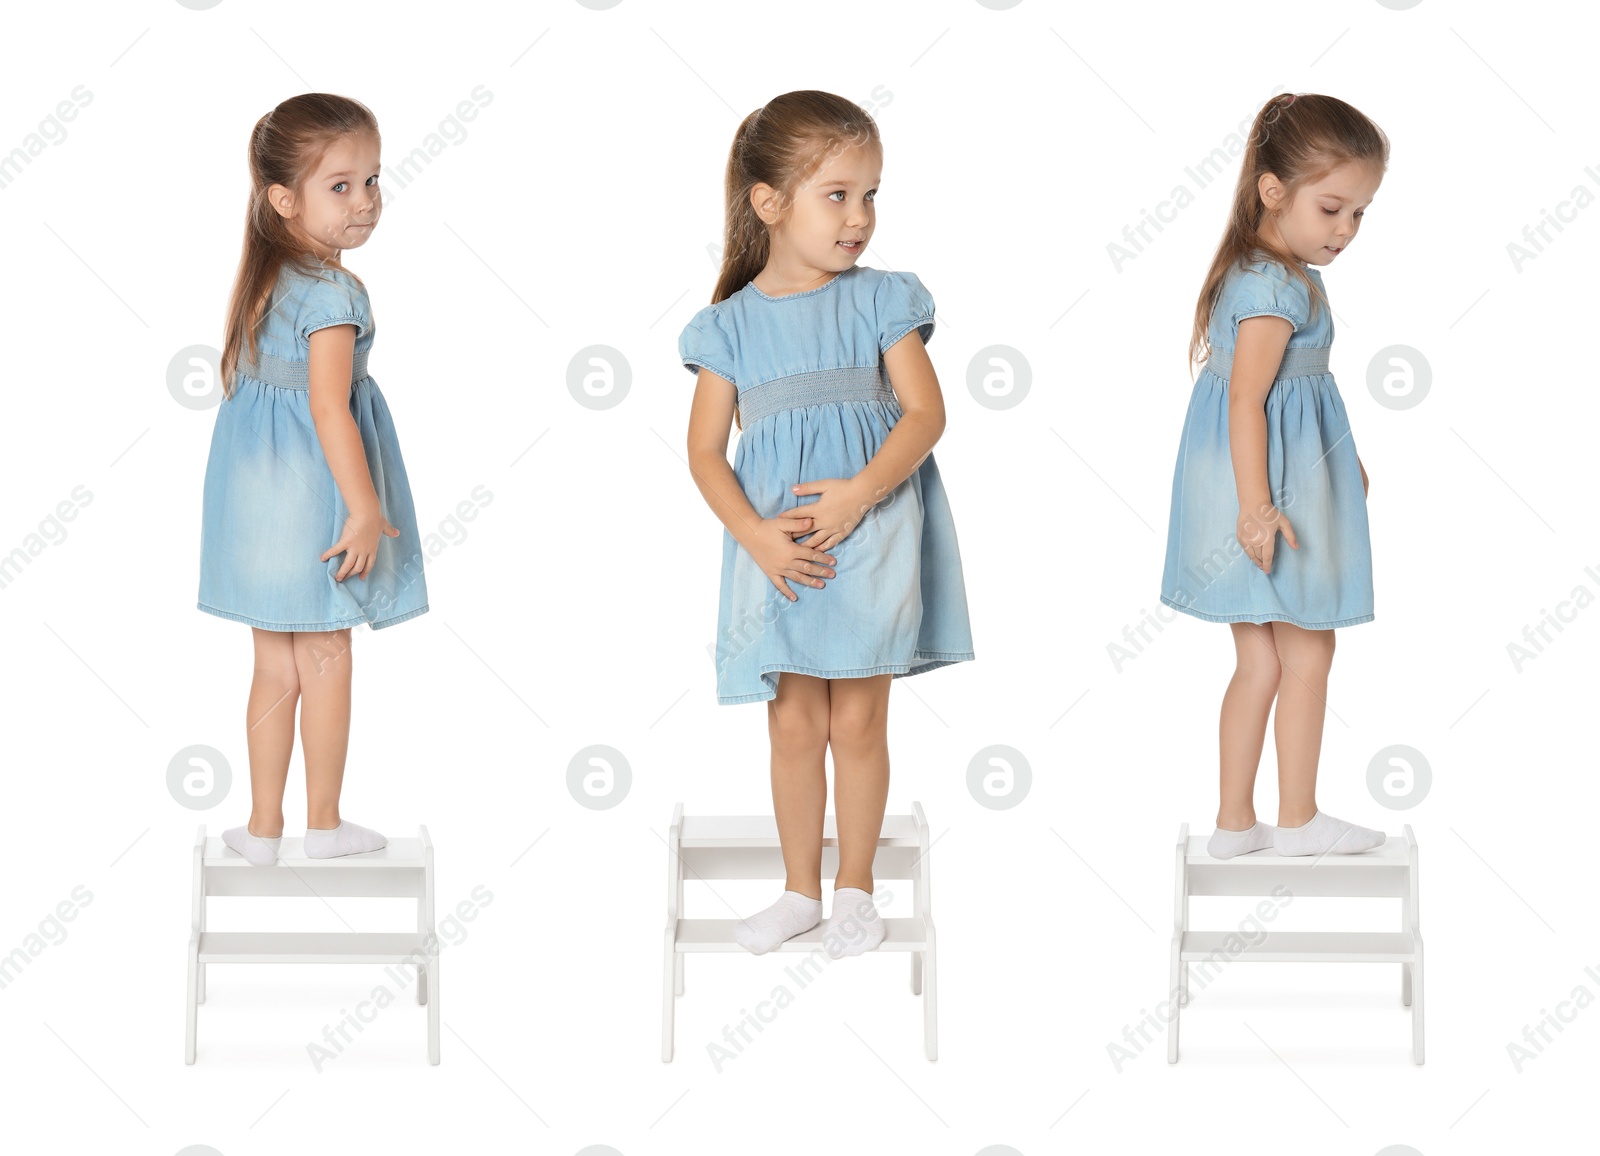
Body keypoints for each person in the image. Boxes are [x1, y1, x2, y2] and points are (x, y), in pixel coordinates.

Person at [680, 90, 975, 956]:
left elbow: (924, 415)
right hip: (777, 551)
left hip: (874, 533)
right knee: (795, 721)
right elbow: (704, 453)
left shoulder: (882, 300)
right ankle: (799, 889)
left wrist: (857, 494)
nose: (860, 217)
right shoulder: (728, 328)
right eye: (837, 194)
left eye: (871, 194)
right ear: (769, 203)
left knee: (859, 720)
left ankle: (854, 891)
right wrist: (757, 535)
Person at [197, 93, 428, 865]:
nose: (364, 202)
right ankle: (323, 824)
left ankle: (263, 829)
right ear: (283, 199)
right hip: (310, 496)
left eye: (372, 181)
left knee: (273, 663)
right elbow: (330, 410)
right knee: (325, 657)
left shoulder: (265, 277)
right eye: (341, 185)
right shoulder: (332, 294)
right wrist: (363, 508)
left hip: (254, 501)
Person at [1160, 92, 1389, 859]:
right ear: (1272, 190)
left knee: (1260, 657)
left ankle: (1235, 824)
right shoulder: (1271, 287)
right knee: (1308, 652)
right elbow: (1250, 403)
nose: (1346, 231)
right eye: (1332, 209)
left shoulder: (1276, 272)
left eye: (1359, 214)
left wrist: (1340, 452)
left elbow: (1298, 391)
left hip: (1270, 476)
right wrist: (1257, 508)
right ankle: (1296, 819)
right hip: (1264, 488)